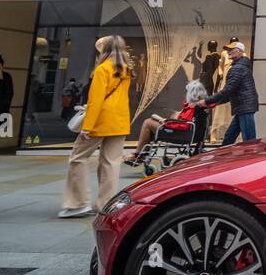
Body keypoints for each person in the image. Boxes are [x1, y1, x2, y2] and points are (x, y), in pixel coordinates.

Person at [61, 35, 132, 218]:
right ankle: (106, 204)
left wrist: (87, 126)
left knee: (77, 157)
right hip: (120, 121)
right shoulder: (126, 69)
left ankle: (78, 202)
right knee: (111, 163)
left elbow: (96, 101)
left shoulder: (102, 69)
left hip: (100, 120)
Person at [125, 80, 209, 164]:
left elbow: (184, 125)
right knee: (151, 122)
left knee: (148, 123)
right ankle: (140, 154)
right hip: (185, 133)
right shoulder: (199, 106)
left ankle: (138, 155)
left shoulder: (192, 107)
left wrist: (167, 123)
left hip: (180, 134)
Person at [202, 41, 258, 145]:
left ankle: (251, 160)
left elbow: (228, 90)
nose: (228, 52)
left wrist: (207, 100)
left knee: (249, 142)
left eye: (231, 50)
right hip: (242, 107)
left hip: (244, 107)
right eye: (228, 50)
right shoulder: (240, 66)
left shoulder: (238, 68)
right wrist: (216, 103)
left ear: (239, 52)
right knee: (229, 138)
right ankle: (223, 158)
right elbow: (231, 91)